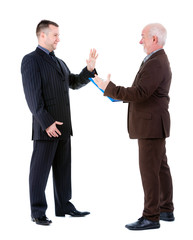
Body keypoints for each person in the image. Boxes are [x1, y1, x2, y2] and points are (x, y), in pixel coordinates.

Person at [94, 23, 174, 230]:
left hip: (150, 126)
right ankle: (165, 209)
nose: (140, 41)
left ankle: (151, 217)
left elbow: (139, 93)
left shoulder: (156, 62)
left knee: (150, 171)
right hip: (155, 124)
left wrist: (108, 88)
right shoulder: (155, 60)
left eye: (143, 37)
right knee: (160, 168)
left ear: (154, 39)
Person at [21, 20, 98, 226]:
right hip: (46, 128)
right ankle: (37, 212)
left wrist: (89, 70)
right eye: (55, 35)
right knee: (39, 171)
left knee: (63, 169)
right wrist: (47, 123)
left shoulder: (60, 62)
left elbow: (72, 82)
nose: (58, 38)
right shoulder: (31, 60)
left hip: (64, 126)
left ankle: (64, 205)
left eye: (58, 34)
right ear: (42, 35)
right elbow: (32, 98)